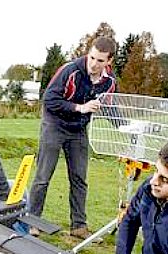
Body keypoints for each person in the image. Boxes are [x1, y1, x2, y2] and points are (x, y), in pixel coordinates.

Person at [28, 37, 117, 239]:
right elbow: (49, 99)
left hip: (78, 130)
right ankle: (32, 222)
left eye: (100, 61)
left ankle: (78, 226)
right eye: (92, 57)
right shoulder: (70, 70)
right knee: (43, 177)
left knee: (79, 178)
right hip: (54, 125)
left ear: (109, 61)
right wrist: (80, 107)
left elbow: (111, 107)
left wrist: (127, 126)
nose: (94, 64)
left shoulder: (109, 82)